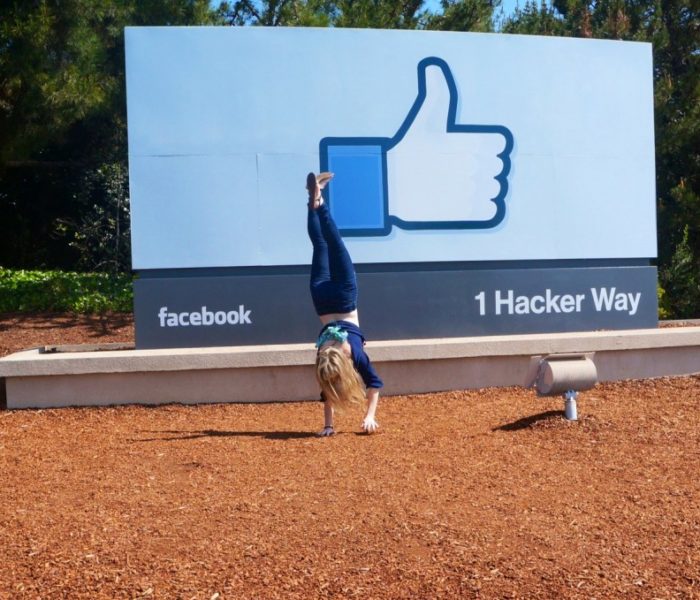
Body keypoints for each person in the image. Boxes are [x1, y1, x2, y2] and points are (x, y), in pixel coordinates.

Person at [306, 171, 383, 437]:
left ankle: (319, 202)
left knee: (334, 243)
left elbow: (375, 385)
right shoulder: (323, 358)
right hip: (321, 300)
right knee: (319, 246)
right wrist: (328, 425)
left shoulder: (353, 353)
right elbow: (329, 390)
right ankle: (313, 202)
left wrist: (370, 416)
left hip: (344, 299)